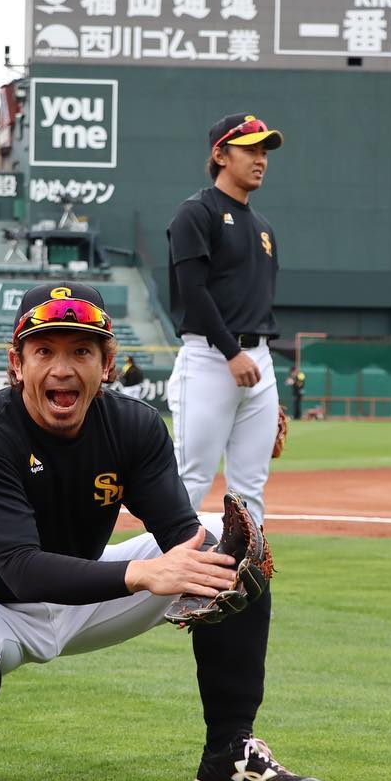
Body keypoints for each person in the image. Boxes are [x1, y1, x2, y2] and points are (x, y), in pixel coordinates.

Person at [0, 282, 325, 781]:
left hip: (83, 594)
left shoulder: (134, 426)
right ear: (17, 364)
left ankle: (229, 752)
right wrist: (143, 574)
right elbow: (18, 565)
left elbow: (178, 531)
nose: (63, 368)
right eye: (44, 351)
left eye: (81, 350)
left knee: (222, 549)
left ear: (106, 365)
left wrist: (215, 567)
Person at [165, 113, 284, 526]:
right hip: (211, 358)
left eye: (264, 150)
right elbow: (192, 294)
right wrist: (233, 352)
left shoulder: (263, 226)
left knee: (250, 486)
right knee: (190, 479)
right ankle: (167, 584)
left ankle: (249, 586)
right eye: (250, 148)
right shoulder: (195, 213)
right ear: (220, 154)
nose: (261, 158)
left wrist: (264, 382)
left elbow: (256, 302)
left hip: (258, 361)